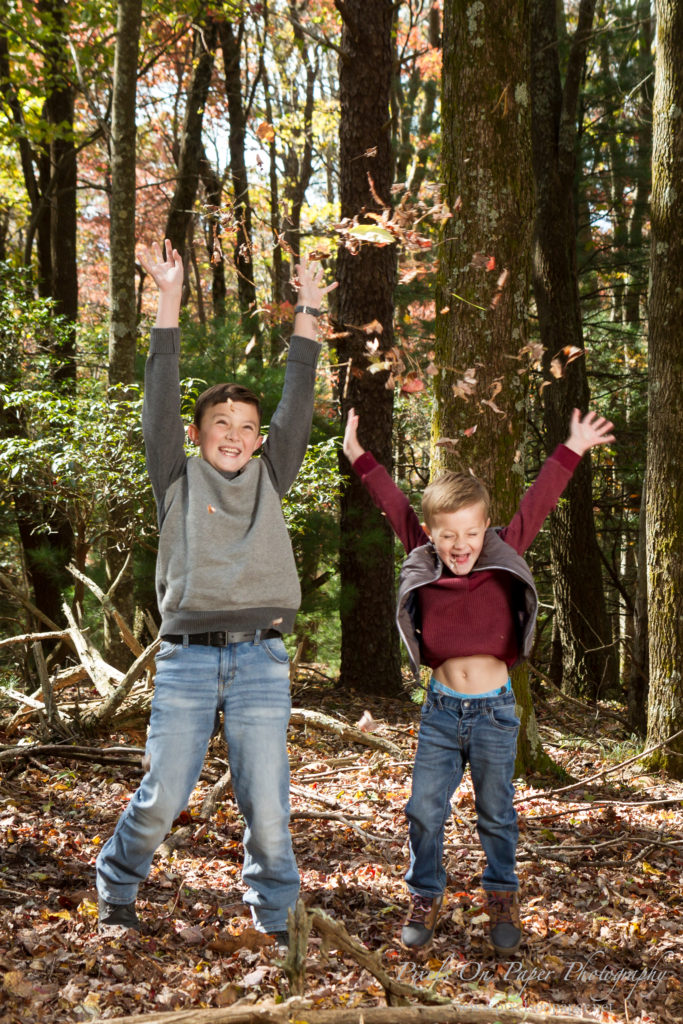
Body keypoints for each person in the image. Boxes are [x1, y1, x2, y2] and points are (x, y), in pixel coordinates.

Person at [96, 239, 336, 942]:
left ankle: (273, 914)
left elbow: (299, 389)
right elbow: (160, 387)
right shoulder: (175, 477)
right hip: (187, 659)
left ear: (262, 441)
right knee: (164, 791)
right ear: (196, 434)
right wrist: (167, 293)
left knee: (268, 802)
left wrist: (310, 306)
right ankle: (117, 885)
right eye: (220, 424)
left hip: (261, 658)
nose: (234, 435)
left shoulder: (271, 475)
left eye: (247, 427)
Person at [343, 406, 614, 954]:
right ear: (431, 534)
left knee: (497, 812)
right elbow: (392, 501)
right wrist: (356, 454)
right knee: (423, 808)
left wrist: (574, 447)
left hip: (494, 712)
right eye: (448, 535)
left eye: (471, 532)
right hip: (441, 711)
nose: (460, 545)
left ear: (486, 528)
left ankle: (502, 895)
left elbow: (540, 499)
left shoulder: (504, 553)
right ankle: (425, 894)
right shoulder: (422, 558)